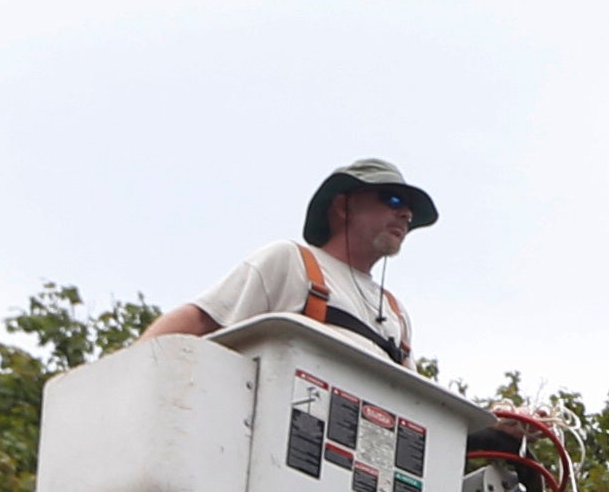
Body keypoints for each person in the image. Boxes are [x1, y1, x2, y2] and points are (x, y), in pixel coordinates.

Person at [143, 156, 437, 364]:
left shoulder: (397, 315)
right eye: (393, 200)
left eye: (409, 211)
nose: (405, 215)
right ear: (343, 207)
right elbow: (198, 319)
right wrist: (120, 384)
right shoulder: (291, 263)